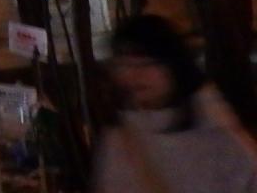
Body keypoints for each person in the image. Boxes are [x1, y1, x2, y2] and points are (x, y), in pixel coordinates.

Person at [92, 14, 257, 192]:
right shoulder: (121, 137)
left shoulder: (212, 128)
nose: (135, 75)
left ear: (173, 66)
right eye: (125, 65)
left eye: (147, 63)